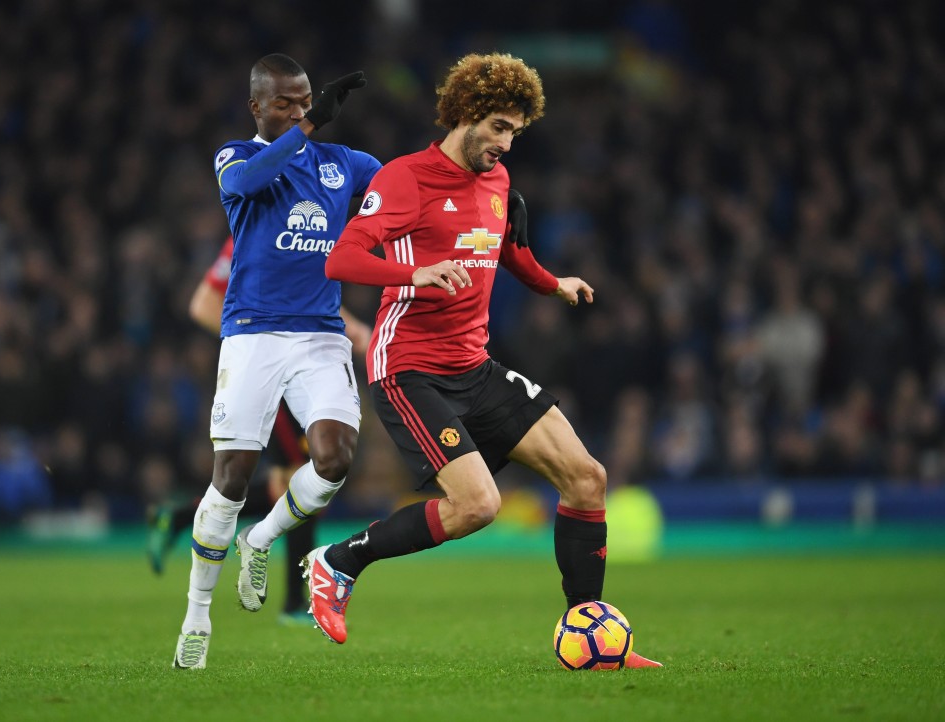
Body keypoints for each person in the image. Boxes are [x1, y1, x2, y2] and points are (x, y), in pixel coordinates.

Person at [308, 52, 662, 668]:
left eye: (515, 133)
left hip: (475, 366)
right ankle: (339, 562)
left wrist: (553, 283)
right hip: (409, 367)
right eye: (498, 126)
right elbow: (341, 261)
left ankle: (591, 628)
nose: (505, 143)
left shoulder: (499, 185)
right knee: (478, 506)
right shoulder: (404, 179)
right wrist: (414, 272)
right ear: (466, 114)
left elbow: (508, 253)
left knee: (588, 478)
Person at [172, 53, 382, 670]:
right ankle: (197, 617)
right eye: (284, 102)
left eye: (305, 100)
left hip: (320, 335)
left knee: (335, 458)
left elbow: (402, 189)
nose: (298, 110)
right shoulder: (236, 158)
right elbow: (242, 186)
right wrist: (304, 132)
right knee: (231, 478)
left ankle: (260, 539)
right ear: (256, 107)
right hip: (252, 336)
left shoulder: (346, 166)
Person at [148, 235, 371, 628]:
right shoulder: (254, 228)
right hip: (271, 367)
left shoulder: (299, 222)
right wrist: (258, 338)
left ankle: (181, 517)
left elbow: (303, 292)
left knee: (298, 479)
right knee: (300, 476)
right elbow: (203, 304)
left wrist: (347, 326)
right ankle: (290, 601)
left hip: (300, 360)